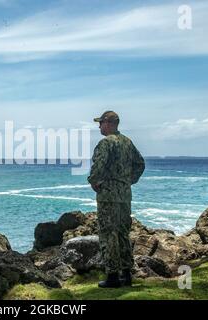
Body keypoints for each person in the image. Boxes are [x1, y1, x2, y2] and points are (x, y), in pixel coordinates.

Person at [88, 111, 145, 288]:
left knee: (108, 233)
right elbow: (140, 164)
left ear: (110, 123)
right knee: (122, 233)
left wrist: (94, 181)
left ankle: (112, 276)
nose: (99, 126)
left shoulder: (106, 143)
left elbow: (98, 166)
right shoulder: (127, 142)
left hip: (108, 196)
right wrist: (128, 181)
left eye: (101, 123)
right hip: (124, 195)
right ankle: (126, 275)